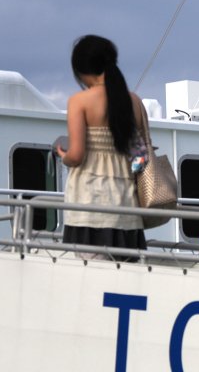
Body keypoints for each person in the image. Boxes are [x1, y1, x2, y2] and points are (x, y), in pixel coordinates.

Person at [56, 35, 146, 261]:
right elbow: (141, 156)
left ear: (80, 70)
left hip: (89, 206)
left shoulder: (79, 101)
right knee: (125, 275)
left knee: (91, 277)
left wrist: (63, 155)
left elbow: (77, 155)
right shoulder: (134, 102)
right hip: (126, 207)